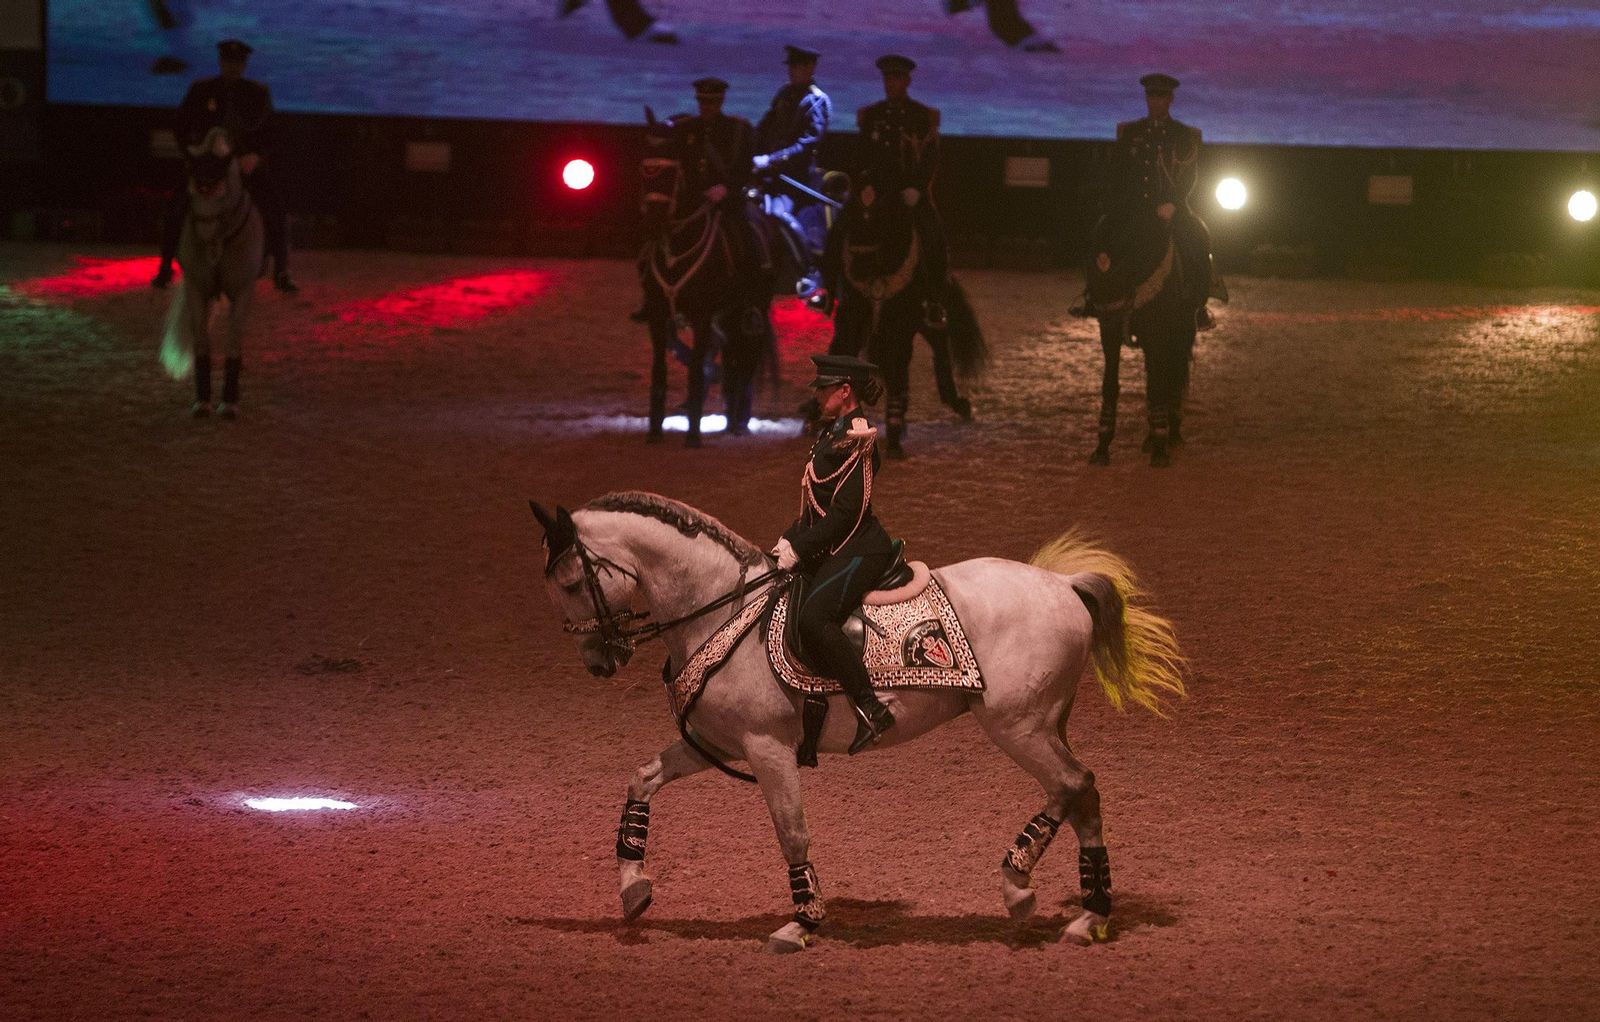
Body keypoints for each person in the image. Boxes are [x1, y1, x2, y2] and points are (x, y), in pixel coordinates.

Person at [773, 354, 898, 754]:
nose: (818, 396)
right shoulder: (830, 435)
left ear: (845, 391)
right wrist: (788, 539)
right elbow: (816, 505)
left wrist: (803, 547)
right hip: (833, 545)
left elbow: (849, 513)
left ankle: (872, 708)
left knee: (813, 618)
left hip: (859, 548)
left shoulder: (858, 437)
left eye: (824, 389)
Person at [153, 40, 297, 294]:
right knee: (177, 206)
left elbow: (272, 133)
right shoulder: (201, 90)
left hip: (244, 164)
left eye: (238, 63)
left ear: (244, 65)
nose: (233, 67)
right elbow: (180, 126)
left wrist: (256, 157)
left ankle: (281, 270)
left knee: (274, 208)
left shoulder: (258, 93)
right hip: (207, 164)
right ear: (221, 63)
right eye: (229, 62)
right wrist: (192, 156)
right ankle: (166, 265)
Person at [1108, 72, 1216, 327]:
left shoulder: (1183, 135)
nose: (1155, 102)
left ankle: (1199, 306)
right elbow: (1119, 173)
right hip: (1134, 207)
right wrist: (1123, 204)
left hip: (1170, 208)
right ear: (1146, 99)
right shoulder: (1129, 132)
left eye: (1161, 97)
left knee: (1198, 237)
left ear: (1170, 99)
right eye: (1151, 96)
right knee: (1104, 236)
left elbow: (1189, 175)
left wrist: (1174, 204)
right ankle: (1095, 297)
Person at [856, 54, 948, 329]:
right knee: (842, 231)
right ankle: (831, 292)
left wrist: (917, 188)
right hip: (879, 194)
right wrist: (865, 185)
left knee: (934, 238)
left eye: (895, 78)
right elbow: (863, 155)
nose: (890, 84)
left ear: (907, 81)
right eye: (886, 78)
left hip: (909, 194)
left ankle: (935, 301)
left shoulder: (921, 115)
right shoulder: (871, 115)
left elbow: (930, 155)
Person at [754, 45, 833, 296]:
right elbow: (764, 127)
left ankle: (809, 273)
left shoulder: (816, 100)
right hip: (772, 175)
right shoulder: (784, 95)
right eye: (789, 67)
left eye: (796, 67)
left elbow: (807, 144)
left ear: (809, 68)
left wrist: (772, 159)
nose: (791, 71)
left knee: (780, 215)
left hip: (798, 179)